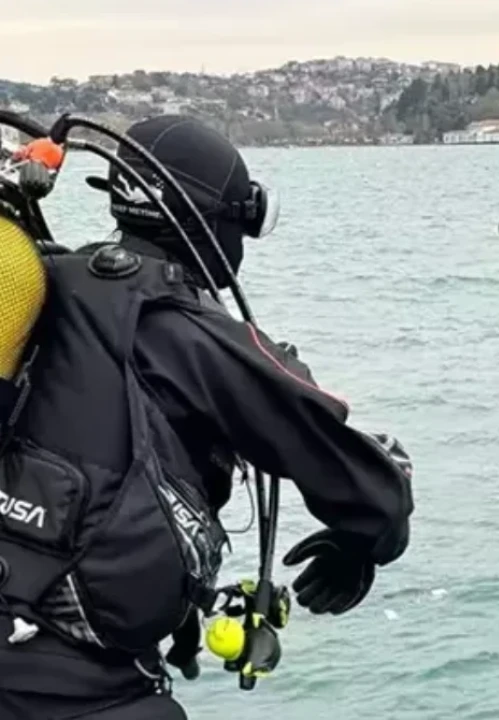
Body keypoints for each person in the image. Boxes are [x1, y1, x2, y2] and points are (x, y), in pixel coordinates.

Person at [0, 115, 415, 720]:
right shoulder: (193, 334)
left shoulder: (42, 281)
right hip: (82, 689)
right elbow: (358, 477)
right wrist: (368, 543)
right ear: (218, 222)